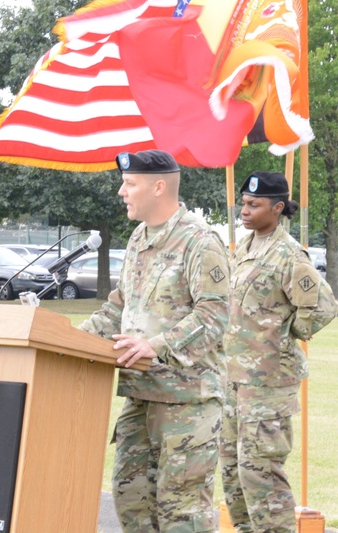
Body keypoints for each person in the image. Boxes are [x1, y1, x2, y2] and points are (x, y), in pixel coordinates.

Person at [78, 149, 230, 533]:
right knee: (132, 505)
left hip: (187, 402)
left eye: (129, 184)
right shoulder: (138, 238)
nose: (121, 192)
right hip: (140, 395)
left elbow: (214, 315)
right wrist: (69, 339)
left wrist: (156, 346)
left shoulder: (199, 240)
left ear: (158, 187)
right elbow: (119, 307)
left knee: (182, 516)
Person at [220, 172, 338, 533]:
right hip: (233, 380)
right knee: (231, 469)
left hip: (268, 383)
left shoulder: (289, 254)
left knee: (261, 474)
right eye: (243, 203)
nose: (245, 210)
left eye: (254, 205)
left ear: (278, 207)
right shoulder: (246, 248)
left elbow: (323, 307)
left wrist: (287, 334)